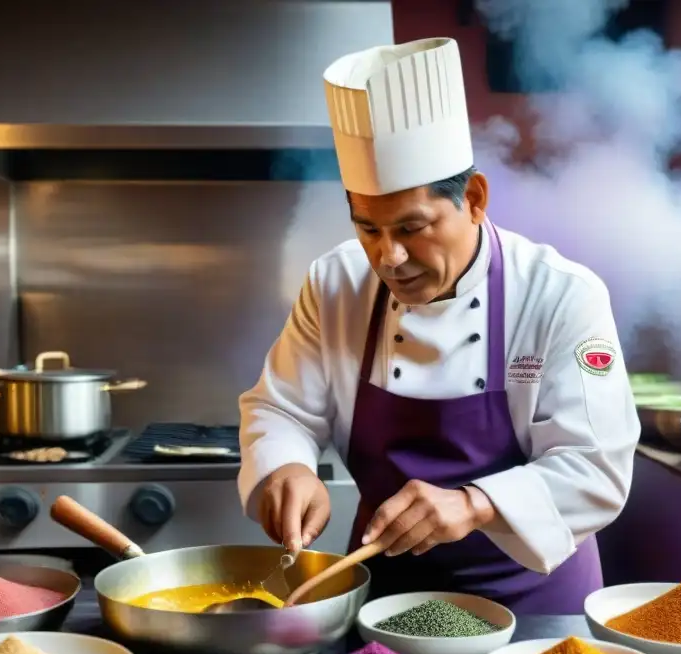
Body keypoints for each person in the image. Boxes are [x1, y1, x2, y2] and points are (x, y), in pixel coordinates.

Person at [237, 38, 640, 614]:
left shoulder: (561, 294)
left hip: (533, 602)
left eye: (412, 227)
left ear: (474, 199)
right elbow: (280, 408)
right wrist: (288, 466)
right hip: (382, 599)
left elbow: (595, 465)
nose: (390, 258)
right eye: (369, 229)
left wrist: (474, 505)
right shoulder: (335, 284)